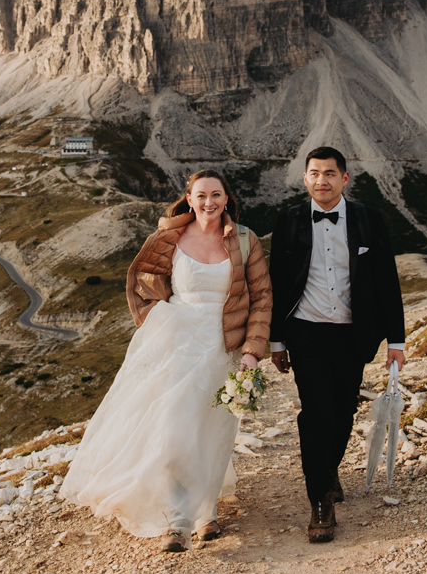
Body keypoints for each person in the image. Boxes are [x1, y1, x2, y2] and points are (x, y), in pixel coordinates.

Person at [61, 170, 272, 551]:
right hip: (177, 344)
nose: (209, 202)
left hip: (224, 346)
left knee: (214, 430)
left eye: (216, 195)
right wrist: (153, 322)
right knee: (176, 431)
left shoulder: (245, 240)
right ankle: (178, 520)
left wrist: (252, 352)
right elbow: (143, 279)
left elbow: (261, 298)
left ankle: (207, 514)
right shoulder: (169, 237)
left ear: (227, 200)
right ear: (189, 199)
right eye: (201, 195)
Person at [268, 146, 406, 543]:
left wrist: (396, 339)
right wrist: (277, 341)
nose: (321, 180)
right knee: (314, 413)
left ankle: (329, 470)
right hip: (306, 331)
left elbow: (386, 281)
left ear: (345, 179)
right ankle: (320, 502)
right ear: (305, 178)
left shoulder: (368, 219)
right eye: (314, 173)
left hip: (353, 332)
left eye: (330, 173)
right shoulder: (289, 220)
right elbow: (278, 282)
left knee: (344, 409)